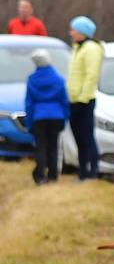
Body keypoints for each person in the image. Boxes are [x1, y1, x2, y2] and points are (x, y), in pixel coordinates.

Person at [66, 16, 103, 180]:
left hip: (84, 101)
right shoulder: (76, 48)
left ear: (82, 32)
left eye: (73, 29)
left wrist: (83, 98)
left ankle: (91, 170)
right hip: (73, 100)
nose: (71, 33)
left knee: (86, 137)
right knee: (79, 138)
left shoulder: (91, 48)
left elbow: (91, 75)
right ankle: (82, 171)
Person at [24, 49, 69, 184]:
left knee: (41, 147)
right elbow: (64, 101)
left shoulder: (32, 80)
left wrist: (29, 122)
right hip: (56, 117)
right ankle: (53, 175)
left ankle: (40, 176)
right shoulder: (58, 79)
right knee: (53, 147)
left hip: (39, 117)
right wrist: (65, 118)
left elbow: (29, 103)